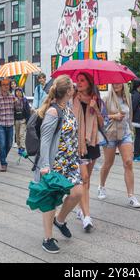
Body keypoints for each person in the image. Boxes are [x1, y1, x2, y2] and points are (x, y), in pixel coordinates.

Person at [35, 75, 83, 254]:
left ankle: (60, 220)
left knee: (77, 192)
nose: (75, 87)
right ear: (68, 91)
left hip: (70, 161)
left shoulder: (68, 107)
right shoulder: (53, 112)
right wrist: (45, 166)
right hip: (55, 162)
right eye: (73, 85)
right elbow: (45, 141)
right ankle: (48, 238)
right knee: (50, 200)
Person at [72, 72, 107, 232]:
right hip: (77, 144)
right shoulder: (72, 98)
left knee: (86, 180)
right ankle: (87, 217)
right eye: (77, 80)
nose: (79, 83)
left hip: (92, 143)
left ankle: (81, 208)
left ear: (89, 83)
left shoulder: (95, 99)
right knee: (83, 178)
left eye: (82, 80)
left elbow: (101, 123)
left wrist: (95, 108)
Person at [98, 83, 140, 208]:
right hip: (110, 134)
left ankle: (131, 195)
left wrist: (131, 131)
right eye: (114, 83)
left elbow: (129, 117)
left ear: (123, 84)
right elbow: (100, 117)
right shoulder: (106, 98)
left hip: (125, 133)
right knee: (108, 163)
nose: (116, 85)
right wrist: (114, 116)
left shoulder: (128, 98)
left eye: (119, 83)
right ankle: (101, 186)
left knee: (128, 162)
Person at [0, 79, 16, 172]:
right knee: (2, 144)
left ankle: (2, 157)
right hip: (0, 124)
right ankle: (3, 163)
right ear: (0, 86)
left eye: (7, 85)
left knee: (9, 144)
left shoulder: (13, 97)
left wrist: (18, 101)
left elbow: (18, 109)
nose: (6, 86)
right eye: (4, 85)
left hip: (10, 123)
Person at [14, 88, 31, 155]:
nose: (18, 93)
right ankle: (19, 147)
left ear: (22, 92)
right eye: (16, 91)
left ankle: (23, 148)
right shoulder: (13, 100)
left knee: (21, 134)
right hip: (16, 120)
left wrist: (27, 119)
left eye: (19, 91)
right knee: (17, 135)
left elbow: (28, 110)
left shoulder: (25, 100)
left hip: (23, 119)